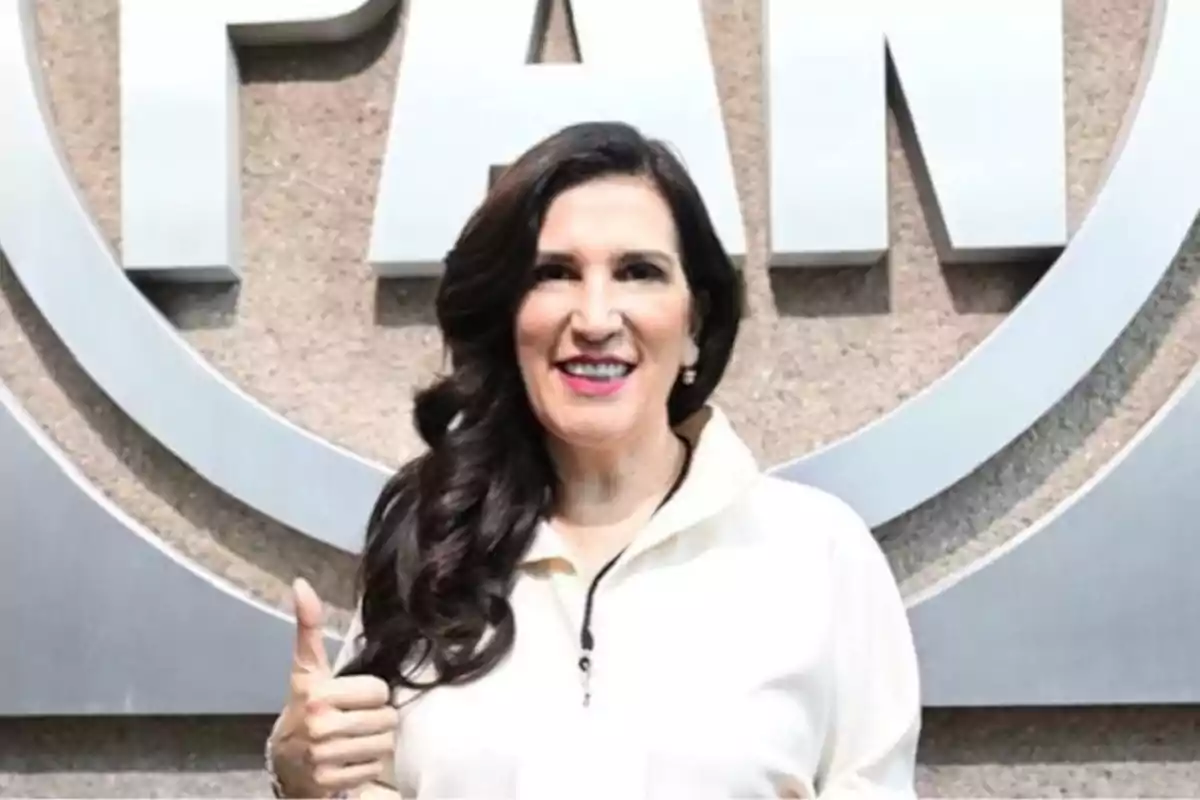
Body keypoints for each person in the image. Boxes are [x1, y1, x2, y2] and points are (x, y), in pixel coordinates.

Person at [265, 120, 922, 798]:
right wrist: (300, 776)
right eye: (555, 274)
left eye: (639, 272)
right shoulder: (436, 541)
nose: (596, 317)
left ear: (694, 323)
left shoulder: (815, 551)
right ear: (509, 317)